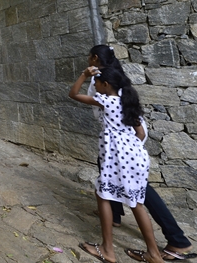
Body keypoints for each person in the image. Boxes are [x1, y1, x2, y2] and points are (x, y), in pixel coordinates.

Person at [86, 46, 197, 262]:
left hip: (123, 143)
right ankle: (115, 215)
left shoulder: (100, 79)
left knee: (141, 192)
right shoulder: (117, 78)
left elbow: (86, 99)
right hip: (125, 139)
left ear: (95, 58)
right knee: (108, 176)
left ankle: (177, 239)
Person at [69, 66, 165, 263]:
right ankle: (154, 254)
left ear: (106, 85)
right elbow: (141, 134)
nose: (94, 87)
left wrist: (84, 75)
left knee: (103, 195)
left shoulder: (105, 100)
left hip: (117, 159)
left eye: (96, 83)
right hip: (137, 158)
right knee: (137, 204)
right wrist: (128, 146)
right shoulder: (128, 101)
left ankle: (107, 250)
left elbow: (73, 94)